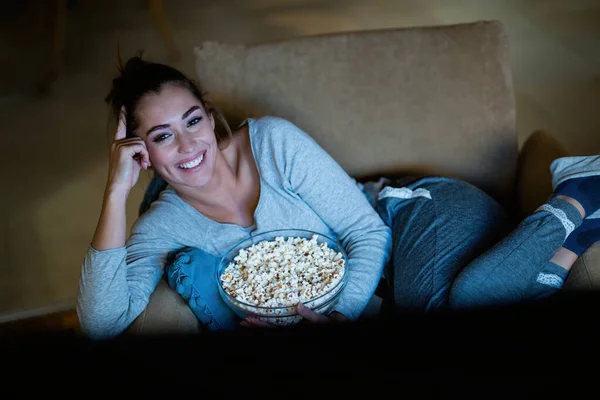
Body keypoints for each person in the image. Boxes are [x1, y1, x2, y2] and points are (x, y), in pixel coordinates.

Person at [77, 56, 600, 339]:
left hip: (415, 212)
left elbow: (367, 230)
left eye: (193, 121)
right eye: (163, 135)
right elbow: (102, 325)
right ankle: (571, 239)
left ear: (209, 116)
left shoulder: (272, 143)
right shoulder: (166, 224)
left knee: (461, 306)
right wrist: (115, 191)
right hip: (403, 272)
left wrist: (343, 315)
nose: (190, 145)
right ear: (139, 152)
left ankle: (578, 190)